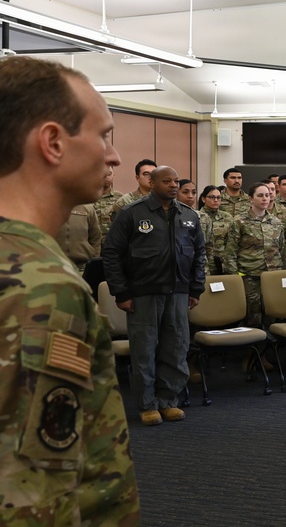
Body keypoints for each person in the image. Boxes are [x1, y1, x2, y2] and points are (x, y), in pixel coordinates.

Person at [0, 56, 140, 523]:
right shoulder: (42, 286)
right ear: (53, 142)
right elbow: (29, 495)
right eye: (103, 135)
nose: (114, 156)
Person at [103, 166, 206, 426]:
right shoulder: (132, 213)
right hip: (143, 293)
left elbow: (199, 254)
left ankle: (167, 401)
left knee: (176, 348)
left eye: (176, 181)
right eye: (167, 181)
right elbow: (111, 254)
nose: (173, 185)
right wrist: (121, 292)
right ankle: (147, 405)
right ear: (151, 182)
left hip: (179, 292)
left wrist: (195, 288)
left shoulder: (189, 216)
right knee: (145, 351)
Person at [223, 182, 285, 330]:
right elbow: (230, 253)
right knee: (252, 316)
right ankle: (251, 350)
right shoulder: (239, 221)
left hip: (272, 275)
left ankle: (270, 349)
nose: (265, 199)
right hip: (249, 275)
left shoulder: (276, 222)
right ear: (251, 198)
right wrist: (234, 279)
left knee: (272, 313)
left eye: (268, 195)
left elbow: (281, 250)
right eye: (260, 195)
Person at [197, 185, 233, 275]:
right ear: (203, 199)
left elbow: (231, 242)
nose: (216, 200)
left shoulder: (227, 217)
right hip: (202, 263)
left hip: (222, 264)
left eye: (218, 197)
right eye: (212, 197)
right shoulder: (196, 217)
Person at [56, 203, 102, 273]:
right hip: (54, 265)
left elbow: (95, 238)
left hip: (82, 267)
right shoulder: (49, 204)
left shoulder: (87, 207)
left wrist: (94, 261)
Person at [94, 166, 122, 240]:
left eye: (109, 174)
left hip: (112, 243)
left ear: (113, 176)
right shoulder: (87, 197)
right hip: (91, 244)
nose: (106, 177)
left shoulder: (121, 198)